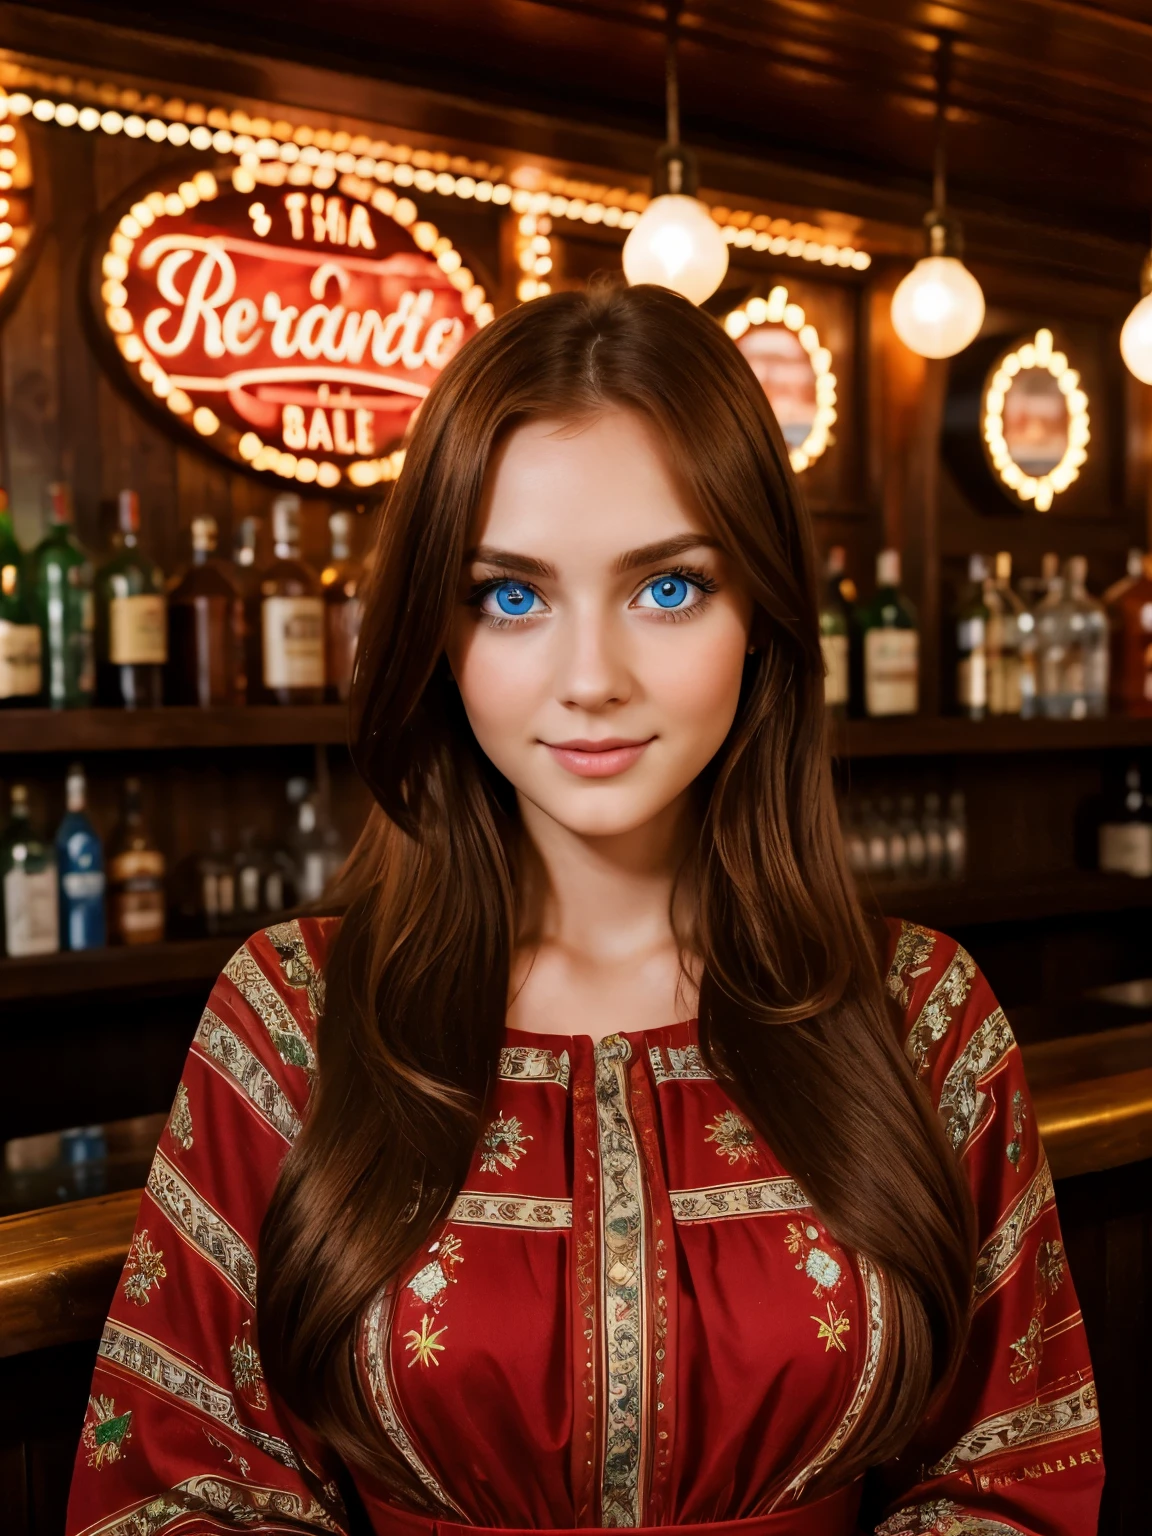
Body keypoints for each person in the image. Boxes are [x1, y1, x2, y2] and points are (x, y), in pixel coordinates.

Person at [66, 284, 1102, 1536]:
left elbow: (1013, 1464)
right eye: (513, 596)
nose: (592, 680)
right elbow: (182, 1485)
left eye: (668, 590)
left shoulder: (925, 1011)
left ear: (764, 621)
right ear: (437, 640)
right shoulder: (293, 1014)